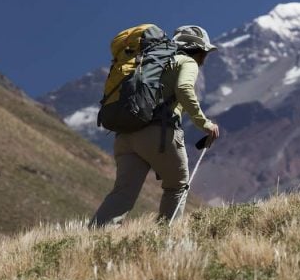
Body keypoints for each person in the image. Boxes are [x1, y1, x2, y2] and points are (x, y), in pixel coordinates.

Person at [88, 25, 221, 228]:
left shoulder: (150, 61)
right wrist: (205, 124)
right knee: (177, 186)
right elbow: (184, 88)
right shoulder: (186, 61)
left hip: (125, 135)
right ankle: (164, 239)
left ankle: (94, 239)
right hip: (158, 134)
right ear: (197, 50)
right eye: (204, 53)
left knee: (123, 191)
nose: (204, 58)